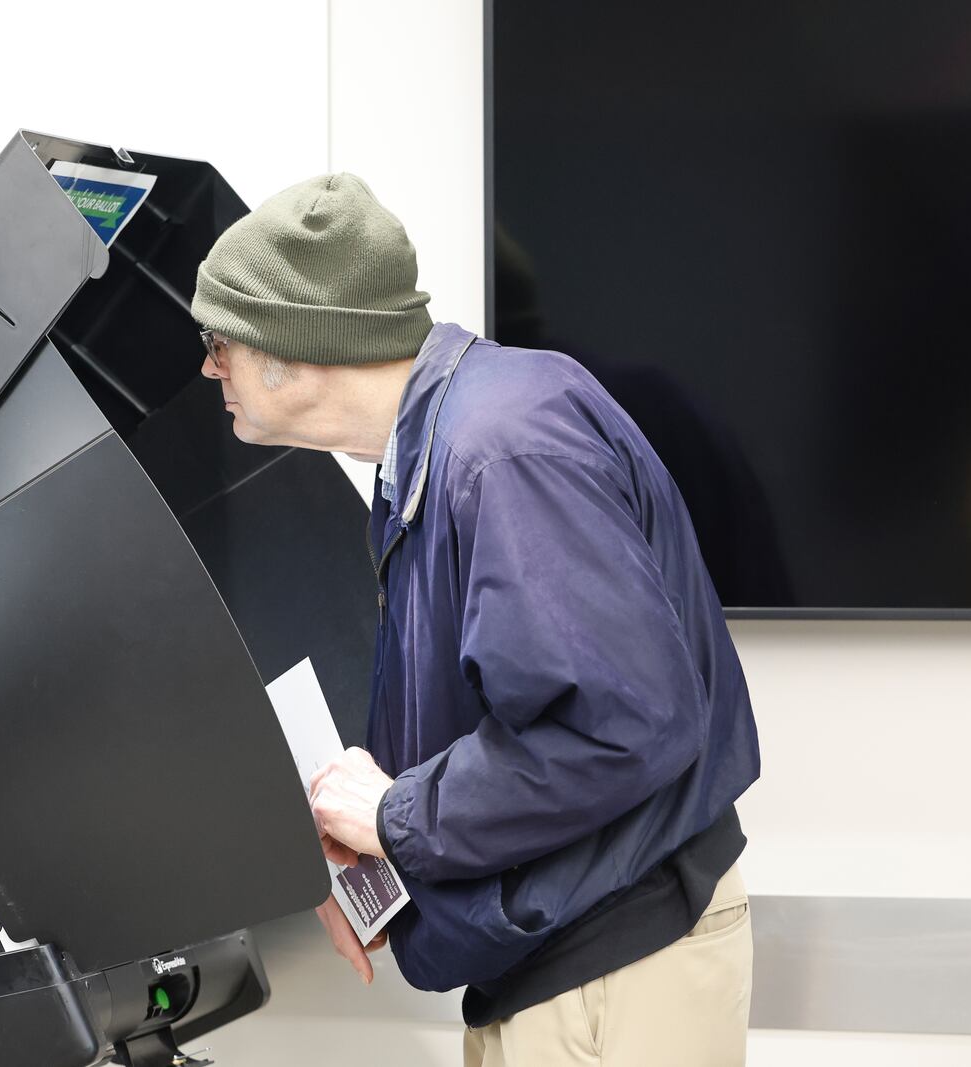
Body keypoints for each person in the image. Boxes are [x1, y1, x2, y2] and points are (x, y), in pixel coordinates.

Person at [191, 173, 761, 1067]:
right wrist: (380, 865)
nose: (207, 366)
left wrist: (397, 814)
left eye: (218, 339)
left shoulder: (501, 451)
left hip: (614, 973)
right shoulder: (445, 447)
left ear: (297, 343)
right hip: (560, 967)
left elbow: (620, 726)